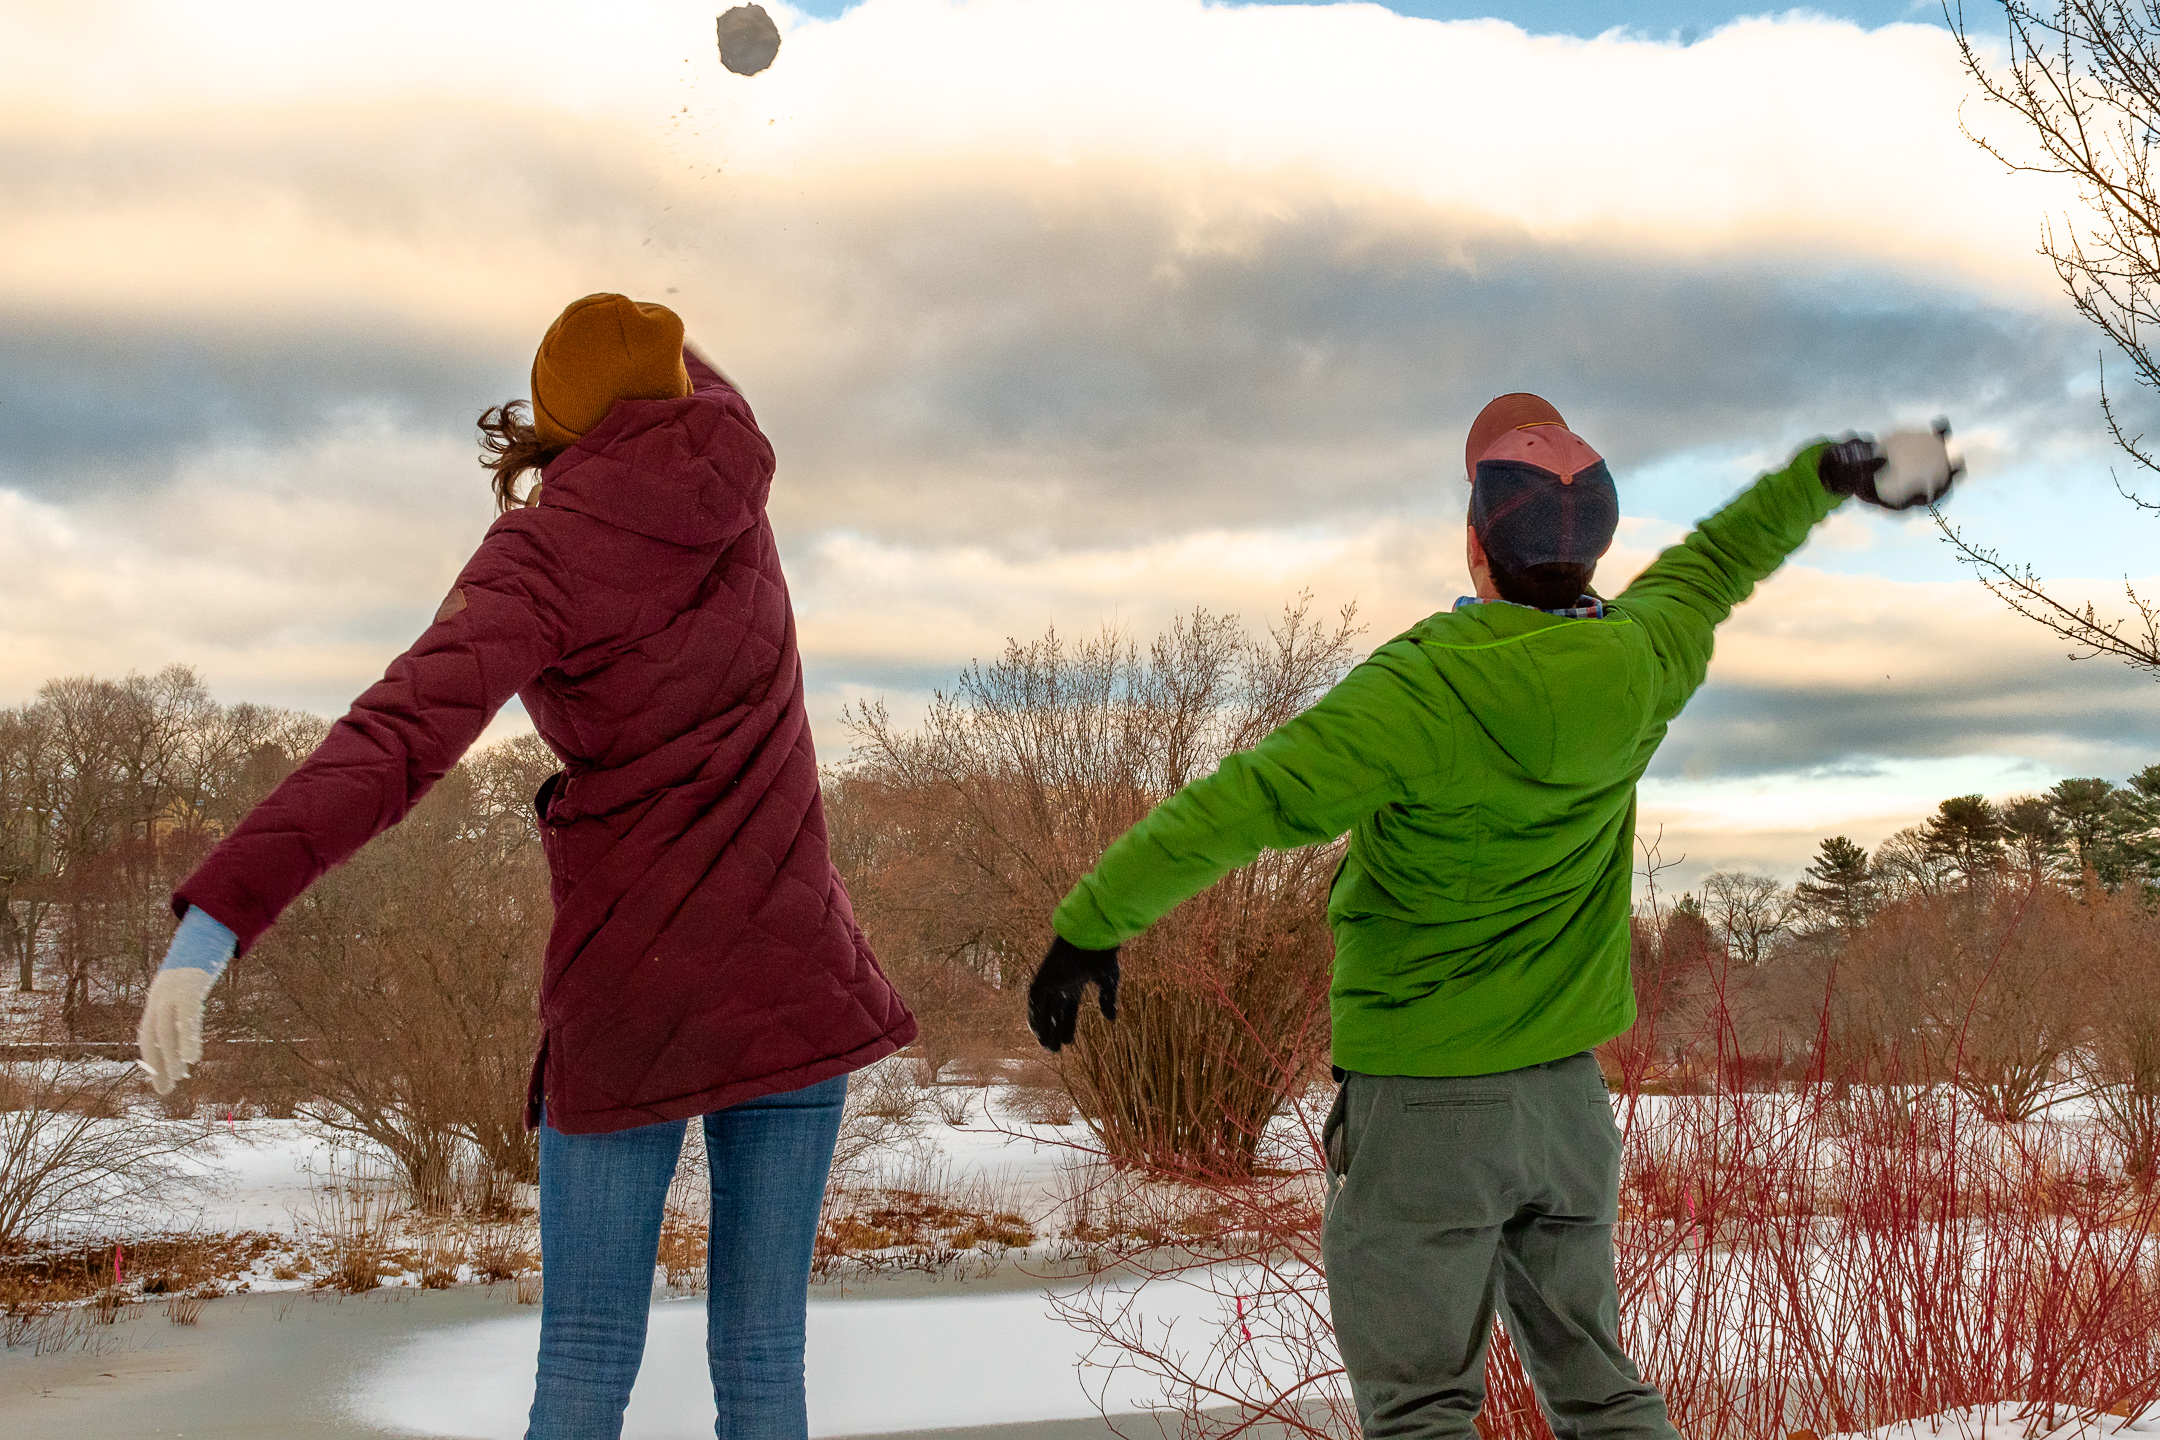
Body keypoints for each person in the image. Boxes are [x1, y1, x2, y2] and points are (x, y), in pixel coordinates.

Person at [1024, 393, 1956, 1440]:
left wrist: (1094, 922)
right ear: (1599, 553)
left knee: (1421, 1410)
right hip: (1565, 1108)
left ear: (1475, 545)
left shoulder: (1418, 689)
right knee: (1602, 1395)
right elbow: (1717, 562)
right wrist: (1825, 476)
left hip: (1425, 1105)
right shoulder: (1642, 662)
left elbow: (1243, 804)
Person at [134, 293, 917, 1440]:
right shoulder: (736, 491)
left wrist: (213, 925)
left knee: (588, 1357)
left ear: (556, 417)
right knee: (764, 1361)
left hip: (632, 996)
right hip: (796, 987)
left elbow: (394, 739)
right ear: (679, 391)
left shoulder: (541, 556)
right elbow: (682, 372)